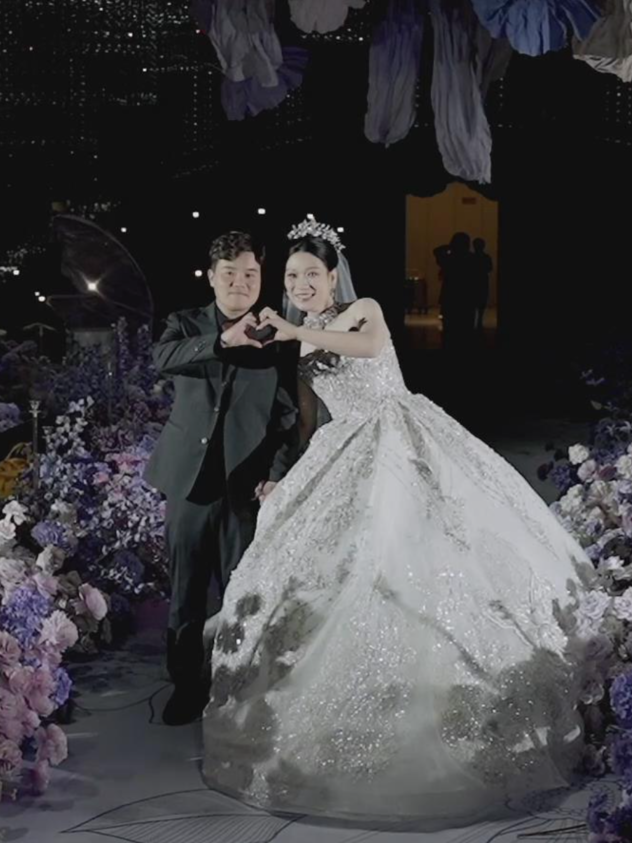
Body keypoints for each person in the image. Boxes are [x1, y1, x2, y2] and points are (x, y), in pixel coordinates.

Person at [203, 221, 593, 824]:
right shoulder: (298, 343)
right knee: (330, 569)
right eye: (292, 277)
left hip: (399, 435)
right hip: (342, 446)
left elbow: (366, 349)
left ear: (332, 276)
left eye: (311, 274)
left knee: (423, 549)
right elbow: (308, 420)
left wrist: (296, 329)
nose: (301, 284)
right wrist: (290, 476)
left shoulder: (363, 309)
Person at [144, 231, 302, 727]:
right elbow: (161, 358)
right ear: (212, 277)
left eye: (250, 274)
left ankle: (233, 685)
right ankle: (185, 685)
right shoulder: (186, 324)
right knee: (186, 592)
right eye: (229, 274)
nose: (240, 283)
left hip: (245, 488)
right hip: (189, 483)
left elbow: (287, 418)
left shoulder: (278, 336)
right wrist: (221, 341)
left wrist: (275, 476)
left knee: (243, 593)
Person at [433, 233, 475, 351]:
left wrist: (450, 246)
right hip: (466, 296)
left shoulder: (449, 258)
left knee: (449, 326)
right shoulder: (471, 258)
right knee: (466, 325)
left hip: (450, 295)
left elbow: (436, 251)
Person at [472, 237, 493, 332]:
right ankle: (480, 320)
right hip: (483, 281)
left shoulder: (472, 257)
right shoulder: (486, 257)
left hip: (473, 282)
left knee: (473, 302)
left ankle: (474, 321)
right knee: (482, 301)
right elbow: (490, 268)